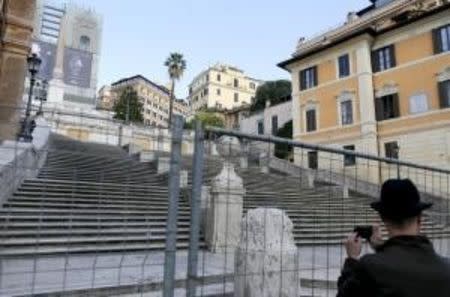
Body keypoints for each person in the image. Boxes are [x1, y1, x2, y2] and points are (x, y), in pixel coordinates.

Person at [337, 179, 450, 297]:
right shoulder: (446, 269)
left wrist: (352, 260)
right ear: (420, 219)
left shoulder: (370, 268)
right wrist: (381, 248)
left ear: (383, 218)